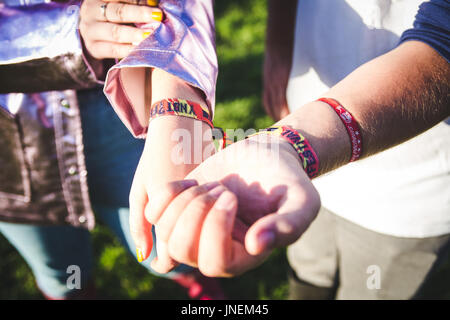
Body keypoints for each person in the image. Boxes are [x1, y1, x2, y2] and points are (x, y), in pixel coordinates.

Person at [121, 0, 449, 299]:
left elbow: (442, 42)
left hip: (410, 182)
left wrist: (289, 145)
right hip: (294, 160)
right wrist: (278, 39)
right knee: (306, 279)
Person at [0, 0, 224, 299]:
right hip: (12, 137)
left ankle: (199, 291)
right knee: (65, 272)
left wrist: (177, 102)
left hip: (123, 97)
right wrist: (66, 32)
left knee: (173, 241)